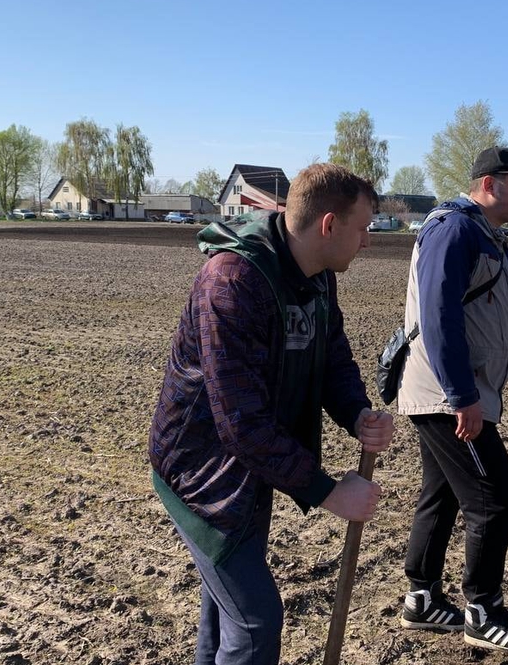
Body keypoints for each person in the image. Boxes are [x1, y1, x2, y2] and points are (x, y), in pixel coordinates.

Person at [149, 163, 394, 665]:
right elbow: (240, 423)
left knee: (225, 614)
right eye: (363, 227)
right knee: (255, 622)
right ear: (329, 225)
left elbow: (331, 354)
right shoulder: (232, 283)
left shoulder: (318, 276)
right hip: (203, 474)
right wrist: (329, 492)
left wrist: (357, 413)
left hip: (248, 469)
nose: (368, 241)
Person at [394, 147, 508, 654]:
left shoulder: (492, 241)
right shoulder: (454, 231)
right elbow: (439, 318)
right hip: (446, 395)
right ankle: (482, 611)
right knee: (495, 498)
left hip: (456, 393)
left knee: (440, 494)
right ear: (489, 184)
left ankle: (422, 601)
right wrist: (463, 396)